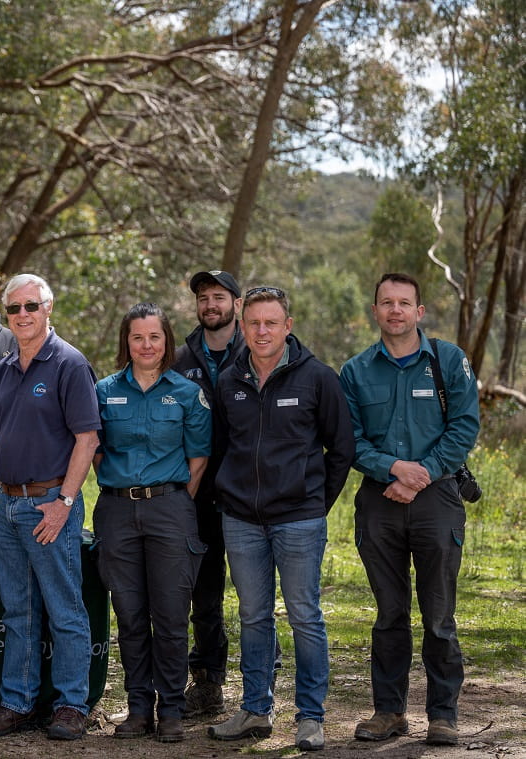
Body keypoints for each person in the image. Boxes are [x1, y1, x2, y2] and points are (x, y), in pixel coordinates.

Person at [207, 286, 354, 752]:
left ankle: (310, 717)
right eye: (254, 323)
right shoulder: (230, 380)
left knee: (305, 617)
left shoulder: (317, 378)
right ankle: (256, 709)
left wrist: (313, 503)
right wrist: (230, 498)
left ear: (287, 326)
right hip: (243, 522)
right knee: (253, 616)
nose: (262, 331)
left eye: (271, 322)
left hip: (299, 521)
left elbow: (342, 449)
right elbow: (220, 447)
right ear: (243, 326)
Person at [339, 273, 479, 747]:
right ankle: (389, 712)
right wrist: (393, 468)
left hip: (437, 498)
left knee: (439, 615)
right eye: (386, 303)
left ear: (419, 312)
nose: (395, 310)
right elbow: (348, 441)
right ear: (375, 311)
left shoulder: (449, 361)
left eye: (404, 303)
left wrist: (422, 473)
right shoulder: (355, 371)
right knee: (389, 613)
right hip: (379, 501)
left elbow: (464, 426)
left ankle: (444, 714)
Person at [0, 273, 100, 742]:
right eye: (14, 309)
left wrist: (64, 503)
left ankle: (71, 705)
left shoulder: (69, 363)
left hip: (49, 507)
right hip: (7, 508)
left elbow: (87, 439)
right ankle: (17, 703)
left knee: (65, 610)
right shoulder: (4, 367)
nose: (22, 315)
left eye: (31, 306)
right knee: (18, 612)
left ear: (49, 308)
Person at [93, 303, 212, 742]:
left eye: (155, 337)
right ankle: (139, 708)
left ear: (167, 342)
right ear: (127, 341)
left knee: (171, 614)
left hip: (171, 509)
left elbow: (198, 457)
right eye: (138, 337)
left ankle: (173, 711)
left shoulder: (185, 393)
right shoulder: (104, 391)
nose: (146, 345)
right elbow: (97, 450)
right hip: (117, 510)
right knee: (129, 613)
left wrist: (171, 502)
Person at [172, 270, 243, 716]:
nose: (210, 304)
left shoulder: (256, 350)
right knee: (204, 591)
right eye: (203, 297)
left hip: (250, 494)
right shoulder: (180, 358)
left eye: (219, 296)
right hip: (195, 495)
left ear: (236, 303)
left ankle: (262, 680)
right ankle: (208, 680)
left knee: (256, 593)